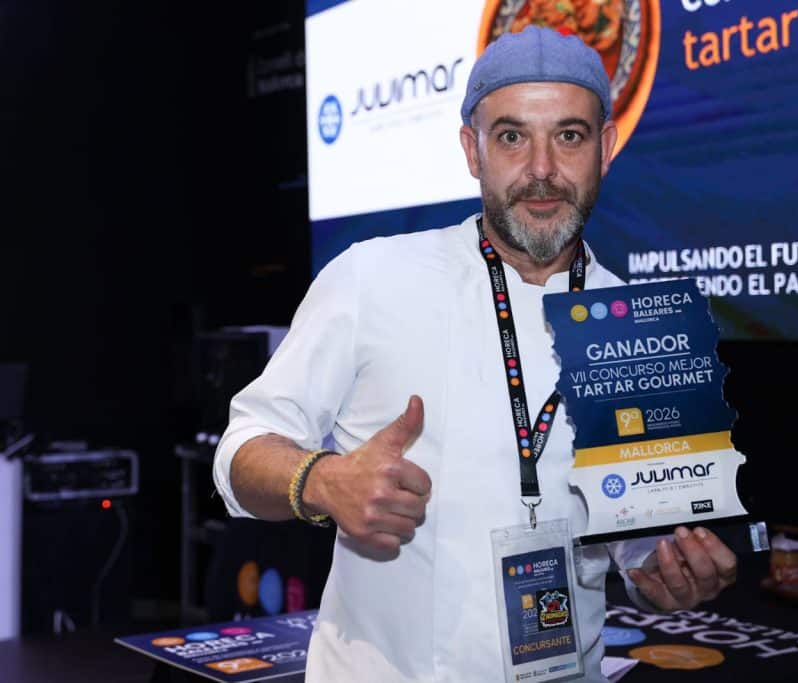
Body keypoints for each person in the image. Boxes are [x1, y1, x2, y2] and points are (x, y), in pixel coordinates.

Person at [213, 25, 737, 682]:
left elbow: (639, 542)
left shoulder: (642, 322)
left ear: (605, 147)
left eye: (569, 136)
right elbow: (239, 453)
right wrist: (321, 481)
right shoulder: (370, 278)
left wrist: (662, 571)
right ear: (472, 150)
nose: (541, 169)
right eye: (512, 137)